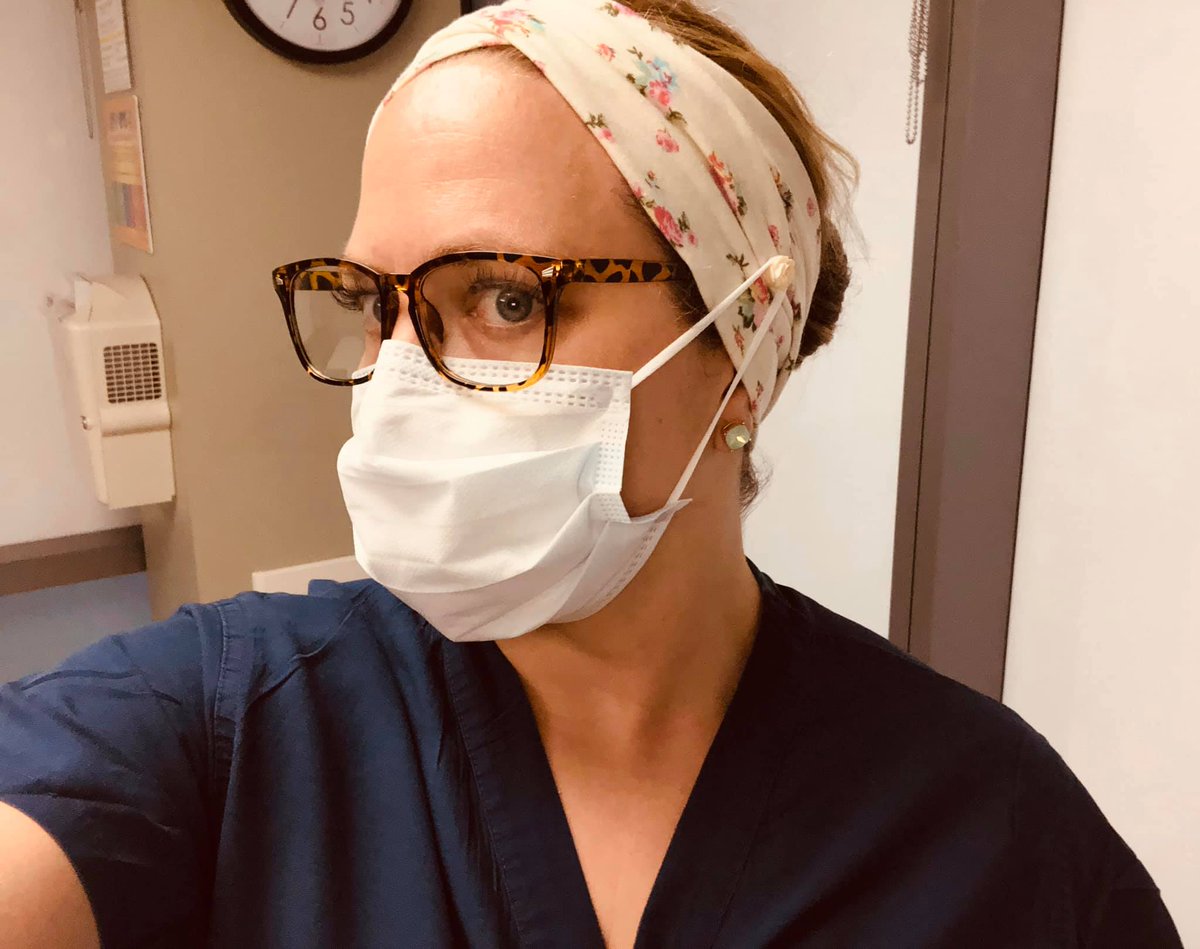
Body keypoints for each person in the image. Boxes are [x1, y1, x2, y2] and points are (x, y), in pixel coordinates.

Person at [0, 1, 1184, 947]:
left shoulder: (989, 833)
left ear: (746, 341)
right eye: (373, 306)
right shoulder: (227, 723)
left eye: (504, 299)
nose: (399, 383)